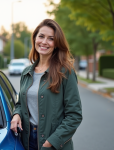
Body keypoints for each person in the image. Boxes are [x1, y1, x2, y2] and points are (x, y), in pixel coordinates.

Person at [10, 19, 82, 150]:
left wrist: (51, 142)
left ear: (56, 44)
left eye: (51, 38)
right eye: (41, 36)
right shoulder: (26, 72)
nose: (44, 42)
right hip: (27, 139)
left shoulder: (65, 72)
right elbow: (20, 103)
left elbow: (74, 115)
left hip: (53, 142)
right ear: (35, 38)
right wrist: (16, 114)